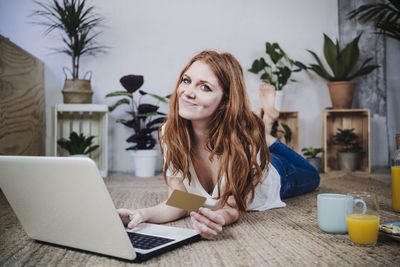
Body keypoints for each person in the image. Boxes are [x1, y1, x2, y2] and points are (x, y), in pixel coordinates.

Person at [118, 50, 320, 239]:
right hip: (251, 144)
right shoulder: (169, 132)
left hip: (273, 173)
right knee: (255, 135)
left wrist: (220, 217)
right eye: (187, 81)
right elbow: (180, 202)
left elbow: (233, 208)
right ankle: (264, 128)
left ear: (225, 101)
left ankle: (266, 133)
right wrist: (141, 214)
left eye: (205, 87)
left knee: (312, 175)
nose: (188, 92)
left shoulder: (242, 143)